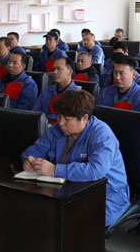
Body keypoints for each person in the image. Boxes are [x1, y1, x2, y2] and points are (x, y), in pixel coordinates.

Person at [22, 90, 130, 227]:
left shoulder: (102, 134)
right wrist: (30, 158)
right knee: (33, 207)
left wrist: (55, 170)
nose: (61, 123)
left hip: (106, 195)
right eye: (59, 116)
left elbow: (96, 170)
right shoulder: (56, 130)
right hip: (66, 190)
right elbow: (36, 148)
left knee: (69, 218)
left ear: (84, 118)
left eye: (67, 119)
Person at [33, 57, 81, 123]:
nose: (54, 72)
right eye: (54, 69)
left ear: (70, 71)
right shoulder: (47, 91)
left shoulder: (77, 94)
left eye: (59, 69)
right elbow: (36, 113)